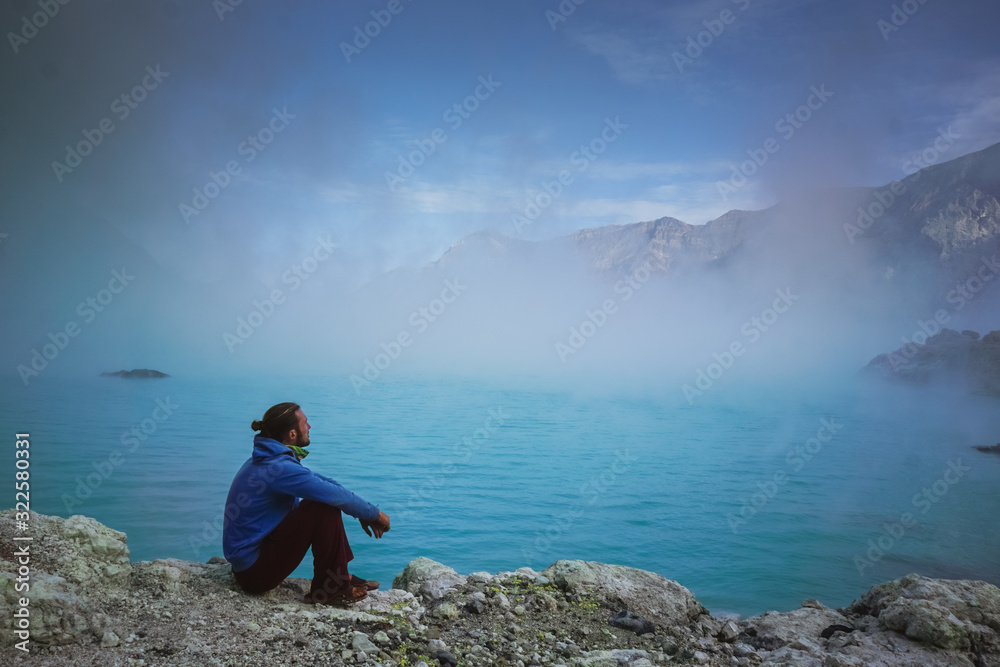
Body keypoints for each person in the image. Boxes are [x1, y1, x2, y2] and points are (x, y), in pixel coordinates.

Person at [222, 402, 390, 604]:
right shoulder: (278, 468)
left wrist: (364, 512)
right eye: (305, 423)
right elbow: (332, 495)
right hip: (255, 574)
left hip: (250, 566)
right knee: (322, 507)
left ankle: (338, 576)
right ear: (292, 434)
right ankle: (332, 589)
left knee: (324, 500)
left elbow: (327, 485)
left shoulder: (270, 460)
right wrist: (375, 515)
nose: (309, 427)